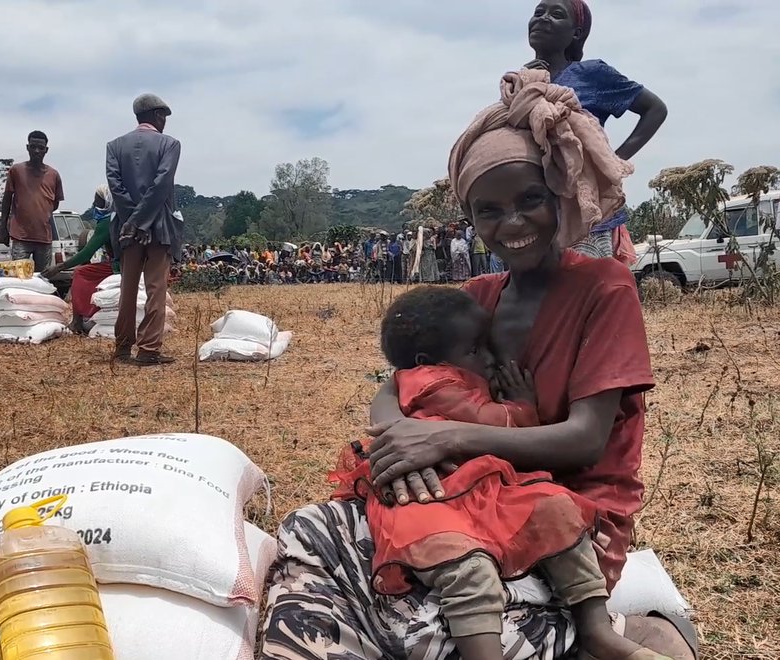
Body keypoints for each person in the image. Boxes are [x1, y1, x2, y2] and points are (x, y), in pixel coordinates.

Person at [259, 69, 696, 660]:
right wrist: (400, 442)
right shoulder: (477, 297)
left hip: (565, 513)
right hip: (464, 494)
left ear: (562, 195)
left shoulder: (606, 288)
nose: (511, 224)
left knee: (439, 622)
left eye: (531, 200)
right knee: (310, 531)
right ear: (470, 219)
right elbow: (394, 389)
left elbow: (586, 442)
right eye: (489, 211)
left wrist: (442, 439)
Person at [330, 286, 663, 660]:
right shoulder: (434, 381)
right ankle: (584, 633)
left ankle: (598, 633)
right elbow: (489, 422)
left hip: (484, 492)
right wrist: (523, 406)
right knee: (466, 566)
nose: (490, 359)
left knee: (556, 510)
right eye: (476, 350)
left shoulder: (427, 364)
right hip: (434, 502)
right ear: (427, 361)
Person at [527, 0, 667, 264]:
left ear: (576, 33)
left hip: (585, 211)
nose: (543, 18)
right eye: (538, 12)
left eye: (556, 15)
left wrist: (611, 162)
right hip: (539, 211)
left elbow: (655, 109)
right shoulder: (523, 80)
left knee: (590, 293)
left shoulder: (590, 73)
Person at [105, 93, 183, 366]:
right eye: (163, 116)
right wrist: (143, 220)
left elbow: (116, 188)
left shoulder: (114, 146)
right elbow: (161, 185)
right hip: (158, 225)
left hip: (126, 229)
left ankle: (123, 348)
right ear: (157, 116)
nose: (165, 122)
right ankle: (149, 349)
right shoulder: (170, 145)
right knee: (155, 288)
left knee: (127, 289)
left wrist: (132, 221)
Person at [43, 184, 118, 334]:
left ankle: (77, 320)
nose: (94, 204)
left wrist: (59, 267)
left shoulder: (106, 223)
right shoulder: (117, 217)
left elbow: (87, 253)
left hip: (118, 265)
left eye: (98, 200)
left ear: (107, 201)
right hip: (123, 263)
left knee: (80, 273)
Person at [1, 131, 65, 273]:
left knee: (43, 278)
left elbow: (54, 204)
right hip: (20, 237)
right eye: (33, 147)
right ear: (27, 147)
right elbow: (7, 199)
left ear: (46, 150)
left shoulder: (53, 175)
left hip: (44, 237)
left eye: (41, 148)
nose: (37, 151)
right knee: (19, 276)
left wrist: (41, 213)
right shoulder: (16, 170)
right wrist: (3, 227)